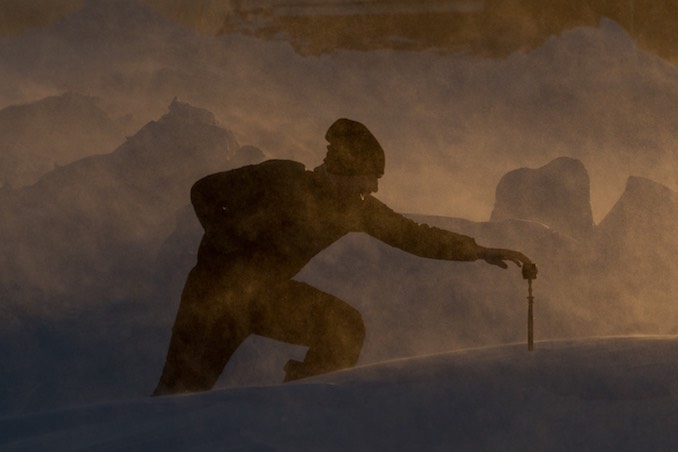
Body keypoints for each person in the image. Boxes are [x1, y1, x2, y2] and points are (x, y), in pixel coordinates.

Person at [153, 118, 532, 395]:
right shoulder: (282, 178)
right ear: (343, 170)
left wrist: (478, 251)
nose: (374, 187)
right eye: (368, 177)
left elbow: (411, 235)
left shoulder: (354, 208)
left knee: (343, 326)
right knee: (179, 394)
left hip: (264, 297)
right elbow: (203, 190)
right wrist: (228, 241)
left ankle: (303, 405)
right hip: (213, 299)